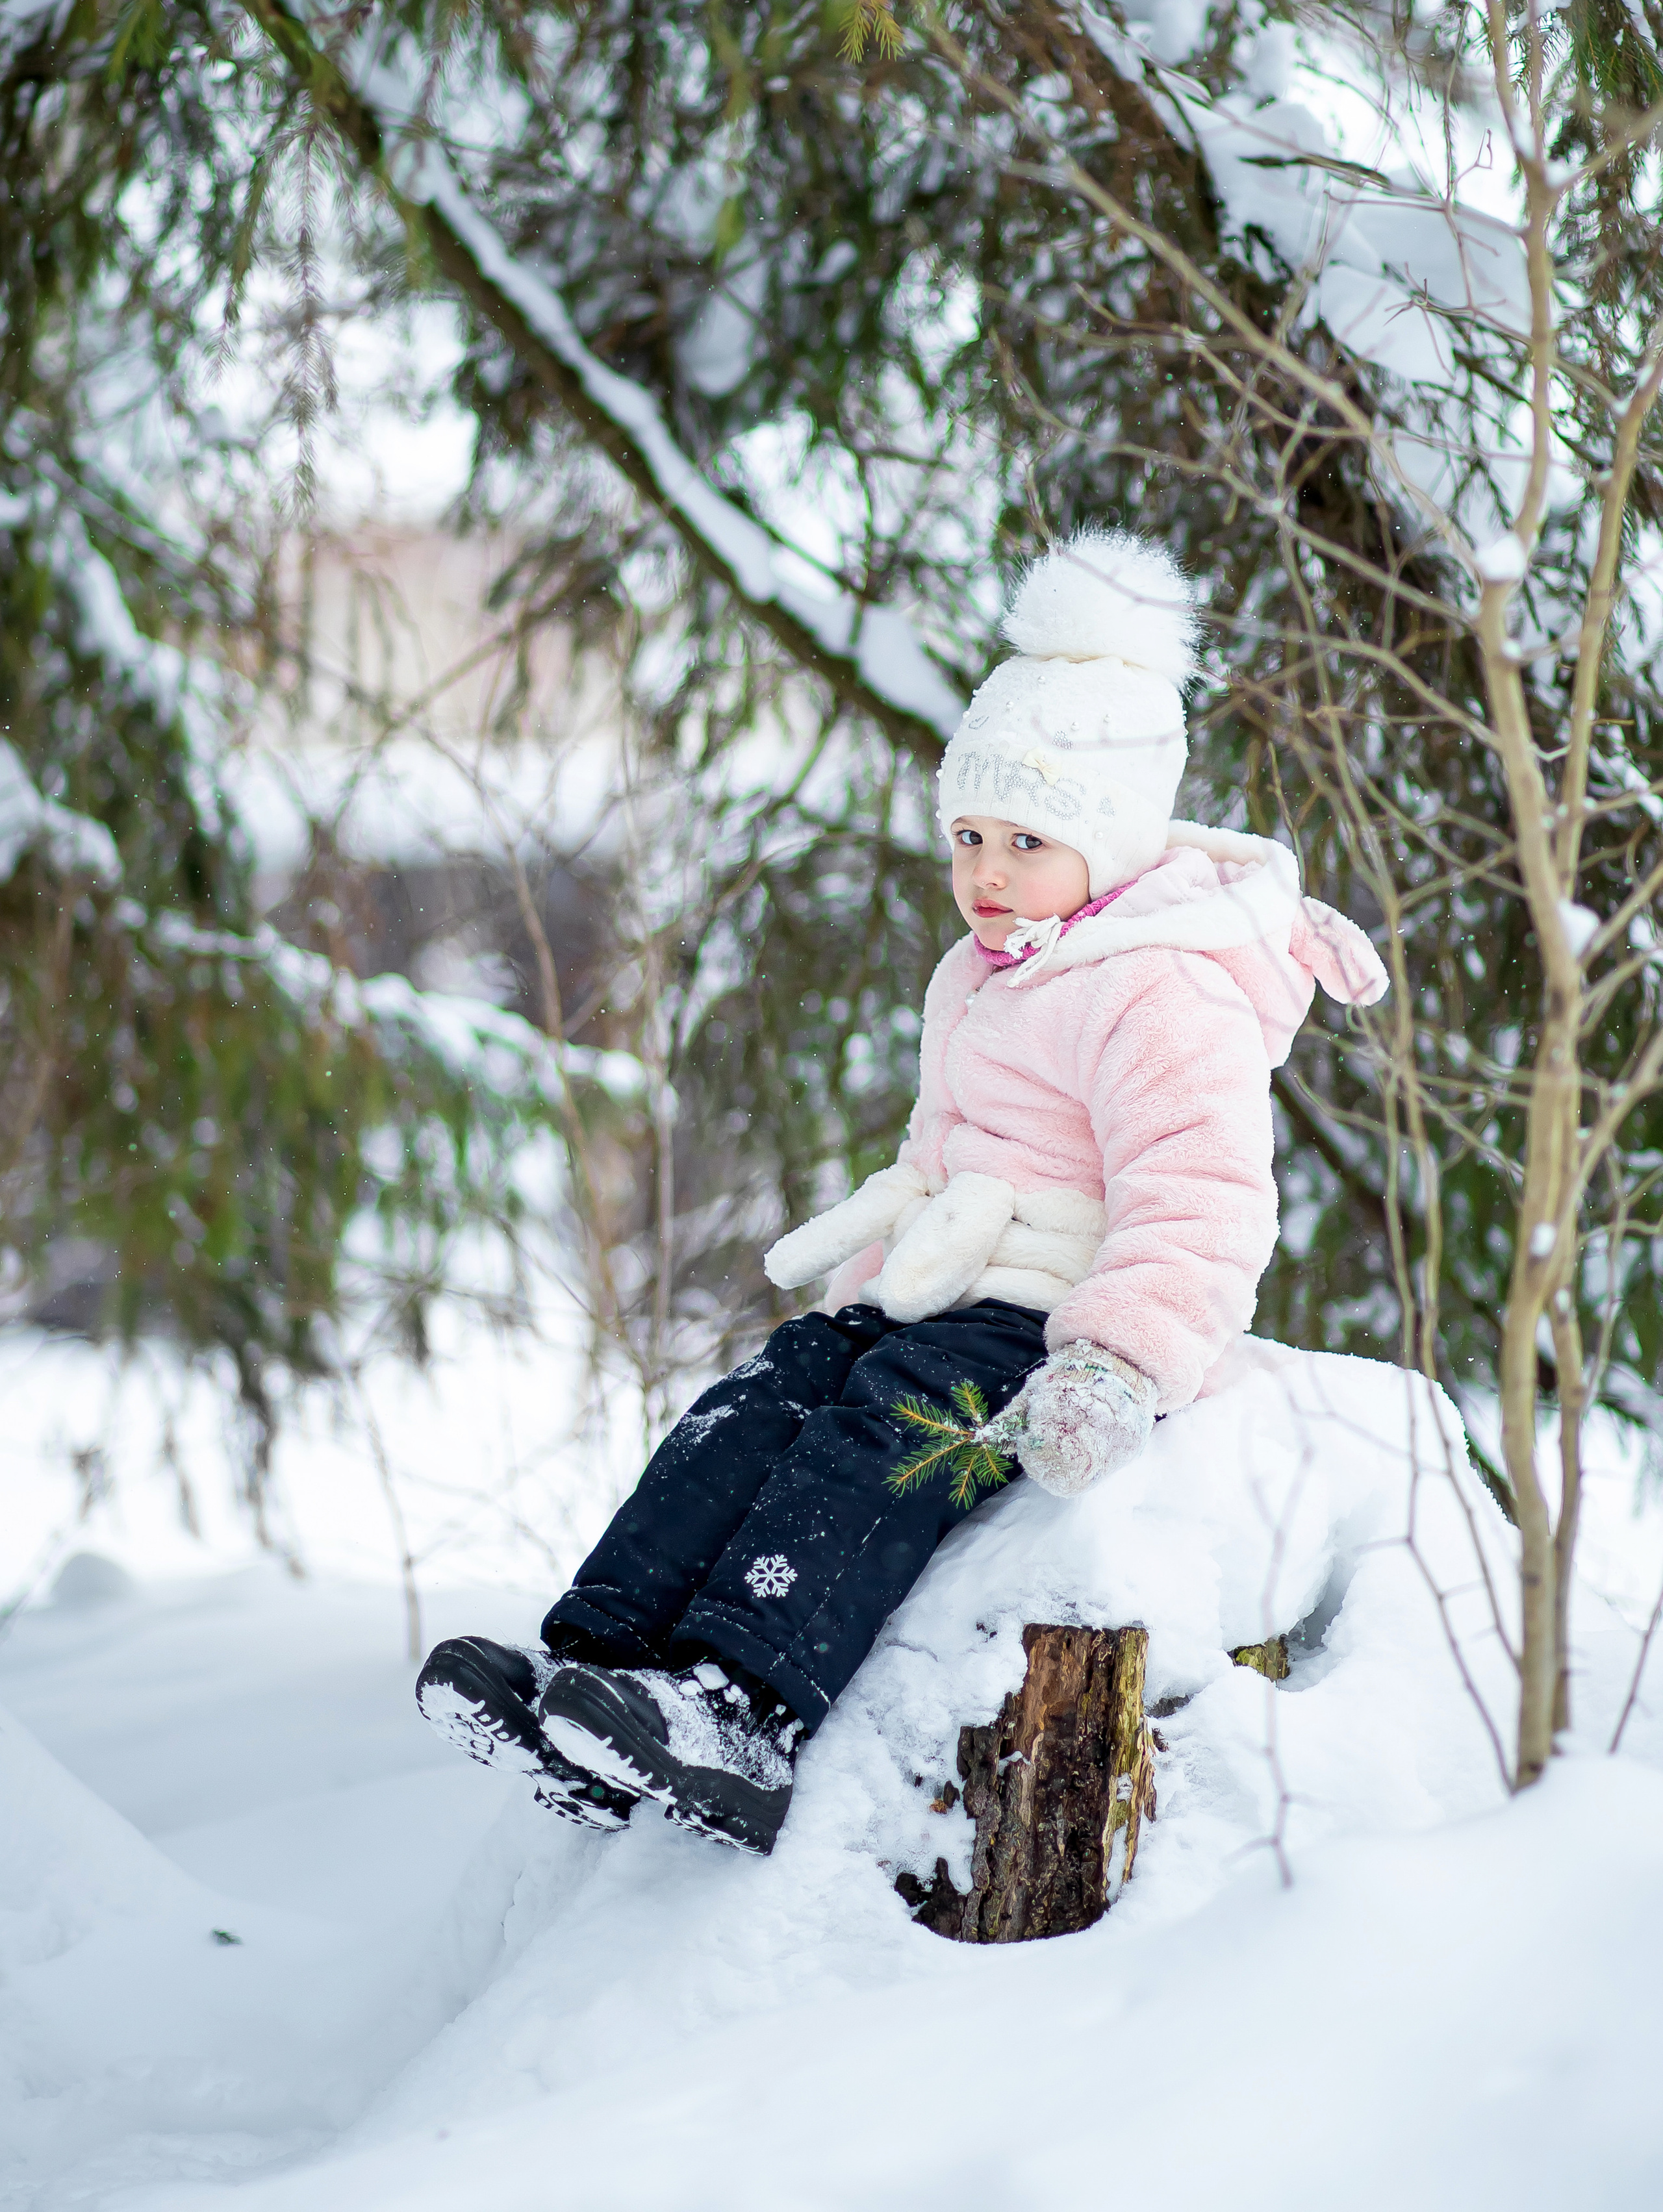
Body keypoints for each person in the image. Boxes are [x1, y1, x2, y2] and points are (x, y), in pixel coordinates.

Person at [415, 528, 1387, 1855]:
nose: (984, 873)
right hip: (946, 1284)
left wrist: (1114, 1362)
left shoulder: (1162, 987)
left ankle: (740, 1707)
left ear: (1104, 840)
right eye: (967, 835)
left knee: (879, 1428)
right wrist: (866, 1292)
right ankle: (599, 1666)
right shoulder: (992, 959)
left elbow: (1203, 1196)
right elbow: (944, 1153)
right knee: (770, 1391)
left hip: (1049, 1316)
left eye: (1025, 840)